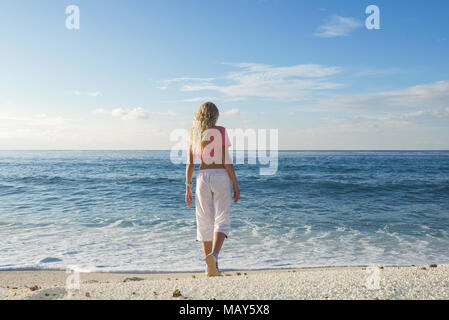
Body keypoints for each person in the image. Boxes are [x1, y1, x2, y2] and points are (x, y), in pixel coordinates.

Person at [185, 102, 240, 276]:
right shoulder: (220, 131)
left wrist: (188, 186)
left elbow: (190, 163)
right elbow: (226, 161)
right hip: (220, 176)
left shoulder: (194, 133)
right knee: (222, 217)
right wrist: (236, 184)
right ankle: (214, 256)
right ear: (215, 115)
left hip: (202, 177)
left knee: (204, 220)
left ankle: (210, 267)